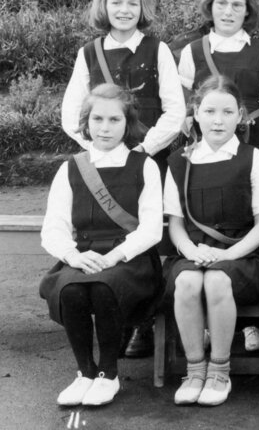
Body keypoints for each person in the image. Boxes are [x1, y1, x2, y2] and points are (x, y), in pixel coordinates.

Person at [40, 84, 163, 407]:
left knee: (102, 288)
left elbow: (151, 229)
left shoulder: (144, 166)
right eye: (97, 119)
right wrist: (72, 256)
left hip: (129, 259)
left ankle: (109, 374)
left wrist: (114, 258)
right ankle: (85, 373)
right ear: (86, 122)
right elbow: (53, 227)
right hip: (82, 257)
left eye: (114, 120)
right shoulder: (71, 168)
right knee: (71, 290)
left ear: (128, 123)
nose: (105, 128)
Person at [163, 75, 259, 406]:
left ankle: (219, 371)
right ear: (196, 112)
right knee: (187, 284)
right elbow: (176, 225)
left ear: (240, 115)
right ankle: (195, 369)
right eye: (210, 111)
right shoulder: (178, 162)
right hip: (192, 252)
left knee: (216, 282)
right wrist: (194, 252)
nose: (218, 120)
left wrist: (227, 255)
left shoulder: (253, 158)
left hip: (241, 256)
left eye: (227, 112)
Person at [61, 0, 185, 174]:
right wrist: (97, 146)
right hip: (102, 162)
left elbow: (175, 111)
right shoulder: (89, 53)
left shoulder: (158, 50)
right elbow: (71, 113)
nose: (124, 10)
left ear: (142, 7)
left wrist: (146, 147)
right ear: (104, 6)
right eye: (116, 3)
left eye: (133, 4)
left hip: (150, 161)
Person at [178, 0, 259, 163]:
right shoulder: (193, 51)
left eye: (237, 5)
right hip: (206, 140)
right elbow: (184, 106)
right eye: (221, 3)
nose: (228, 12)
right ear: (210, 6)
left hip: (251, 140)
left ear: (247, 10)